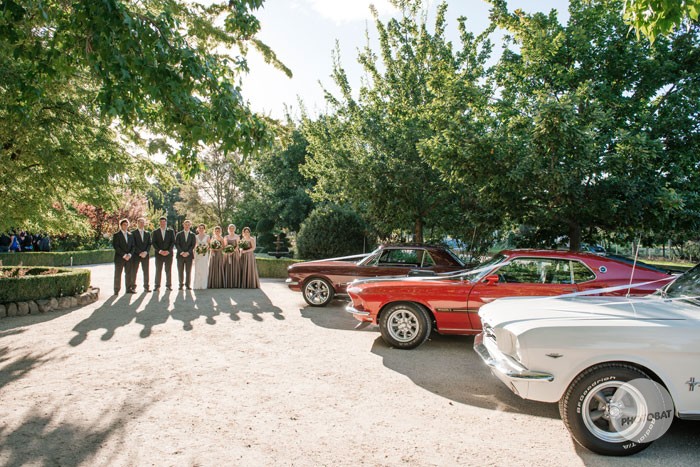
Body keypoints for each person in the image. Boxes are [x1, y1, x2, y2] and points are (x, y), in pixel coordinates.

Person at [112, 219, 135, 295]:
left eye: (127, 225)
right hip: (119, 258)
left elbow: (133, 246)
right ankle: (116, 290)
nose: (125, 226)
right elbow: (116, 247)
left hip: (129, 258)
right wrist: (124, 255)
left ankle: (128, 289)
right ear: (121, 225)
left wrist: (130, 255)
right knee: (118, 274)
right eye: (124, 224)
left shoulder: (130, 235)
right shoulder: (116, 235)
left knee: (129, 274)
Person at [152, 216, 175, 290]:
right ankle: (157, 286)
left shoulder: (171, 231)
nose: (162, 223)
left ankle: (168, 285)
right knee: (158, 270)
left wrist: (168, 251)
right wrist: (160, 251)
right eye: (161, 222)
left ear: (166, 222)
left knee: (168, 270)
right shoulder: (155, 232)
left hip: (168, 254)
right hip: (159, 254)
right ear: (159, 223)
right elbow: (154, 242)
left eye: (164, 222)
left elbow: (173, 242)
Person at [131, 217, 152, 292]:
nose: (142, 224)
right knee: (134, 271)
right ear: (137, 223)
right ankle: (133, 287)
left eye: (143, 222)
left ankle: (146, 287)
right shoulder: (133, 233)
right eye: (140, 222)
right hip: (136, 255)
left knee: (146, 271)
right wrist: (140, 252)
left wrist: (145, 252)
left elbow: (149, 244)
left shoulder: (148, 233)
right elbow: (133, 245)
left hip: (145, 255)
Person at [175, 219, 196, 290]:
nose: (187, 226)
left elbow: (193, 245)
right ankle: (181, 285)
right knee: (180, 271)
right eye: (186, 224)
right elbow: (177, 244)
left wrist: (188, 252)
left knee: (188, 271)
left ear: (190, 225)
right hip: (180, 256)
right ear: (183, 225)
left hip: (189, 256)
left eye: (188, 225)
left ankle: (188, 285)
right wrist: (182, 252)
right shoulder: (179, 234)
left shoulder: (193, 235)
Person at [193, 223, 210, 289]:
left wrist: (204, 250)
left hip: (204, 254)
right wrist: (195, 253)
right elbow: (195, 246)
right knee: (198, 269)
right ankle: (197, 285)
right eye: (200, 228)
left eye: (202, 228)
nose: (201, 229)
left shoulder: (207, 236)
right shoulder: (196, 236)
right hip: (197, 254)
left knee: (204, 268)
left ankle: (203, 284)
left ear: (204, 229)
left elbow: (209, 245)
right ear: (198, 229)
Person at [224, 224, 241, 288]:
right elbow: (225, 245)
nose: (231, 229)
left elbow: (238, 246)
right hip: (228, 254)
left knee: (235, 267)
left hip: (235, 253)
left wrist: (232, 251)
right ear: (228, 229)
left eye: (233, 228)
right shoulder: (226, 237)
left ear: (234, 229)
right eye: (230, 228)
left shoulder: (237, 236)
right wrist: (228, 251)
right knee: (228, 267)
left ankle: (235, 283)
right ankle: (228, 283)